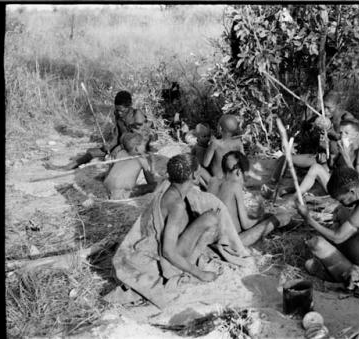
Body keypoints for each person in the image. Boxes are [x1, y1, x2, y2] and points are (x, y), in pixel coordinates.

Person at [112, 153, 251, 309]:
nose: (200, 173)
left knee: (209, 217)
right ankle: (188, 266)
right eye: (198, 170)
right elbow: (168, 252)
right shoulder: (176, 204)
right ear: (192, 175)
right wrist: (199, 273)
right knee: (211, 218)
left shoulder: (171, 190)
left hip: (162, 247)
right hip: (166, 256)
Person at [295, 167, 359, 284]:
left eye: (342, 199)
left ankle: (336, 275)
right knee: (340, 212)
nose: (341, 202)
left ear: (352, 191)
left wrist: (308, 219)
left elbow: (337, 238)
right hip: (352, 257)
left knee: (316, 245)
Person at [44, 91, 157, 170]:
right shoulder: (117, 114)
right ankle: (66, 167)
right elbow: (118, 134)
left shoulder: (137, 115)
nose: (119, 113)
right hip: (122, 145)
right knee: (92, 152)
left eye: (122, 111)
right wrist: (109, 145)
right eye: (117, 110)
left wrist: (118, 148)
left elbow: (137, 140)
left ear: (130, 106)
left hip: (136, 149)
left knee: (116, 156)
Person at [209, 151, 291, 246]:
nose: (243, 182)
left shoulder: (213, 181)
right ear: (239, 172)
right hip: (231, 241)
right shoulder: (235, 185)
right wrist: (262, 212)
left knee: (265, 215)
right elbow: (246, 224)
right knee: (283, 216)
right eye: (244, 177)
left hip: (212, 236)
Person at [294, 120, 359, 197]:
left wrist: (345, 155)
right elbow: (331, 167)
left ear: (356, 135)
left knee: (316, 168)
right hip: (337, 184)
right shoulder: (343, 149)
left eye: (346, 133)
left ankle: (296, 196)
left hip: (347, 190)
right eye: (341, 133)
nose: (342, 136)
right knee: (317, 167)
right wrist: (331, 156)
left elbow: (358, 179)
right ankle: (298, 194)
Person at [103, 132, 158, 200]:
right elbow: (151, 181)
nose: (145, 147)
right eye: (143, 145)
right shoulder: (141, 159)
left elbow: (109, 172)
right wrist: (152, 163)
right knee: (154, 186)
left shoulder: (120, 153)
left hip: (108, 191)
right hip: (121, 196)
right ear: (136, 148)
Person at [190, 123, 213, 189]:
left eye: (208, 136)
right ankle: (205, 186)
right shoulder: (196, 147)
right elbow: (191, 157)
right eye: (204, 136)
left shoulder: (208, 147)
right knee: (197, 173)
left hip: (206, 169)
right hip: (197, 168)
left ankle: (207, 184)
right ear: (197, 137)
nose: (207, 138)